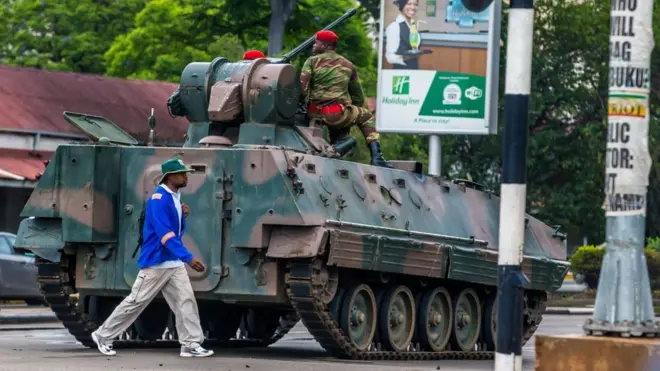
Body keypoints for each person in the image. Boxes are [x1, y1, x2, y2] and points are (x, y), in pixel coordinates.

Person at [90, 158, 214, 358]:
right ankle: (103, 335)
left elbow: (174, 230)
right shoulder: (158, 199)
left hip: (173, 262)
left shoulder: (174, 197)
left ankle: (191, 344)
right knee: (136, 301)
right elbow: (165, 234)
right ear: (170, 177)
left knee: (186, 301)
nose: (186, 177)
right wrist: (188, 257)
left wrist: (183, 216)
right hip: (157, 262)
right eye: (182, 174)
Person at [300, 30, 392, 168]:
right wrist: (352, 113)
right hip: (336, 115)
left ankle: (337, 148)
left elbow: (302, 89)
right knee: (366, 116)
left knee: (340, 129)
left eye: (316, 43)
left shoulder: (311, 62)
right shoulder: (348, 65)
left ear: (325, 46)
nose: (314, 45)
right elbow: (358, 98)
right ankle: (377, 158)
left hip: (313, 114)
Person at [385, 0, 421, 69]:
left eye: (415, 4)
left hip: (413, 70)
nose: (413, 7)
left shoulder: (412, 25)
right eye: (409, 4)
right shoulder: (395, 26)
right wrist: (407, 57)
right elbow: (390, 57)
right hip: (401, 75)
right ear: (402, 5)